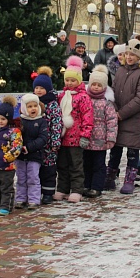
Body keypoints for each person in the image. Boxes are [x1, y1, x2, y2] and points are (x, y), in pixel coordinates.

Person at [107, 39, 140, 194]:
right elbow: (112, 91)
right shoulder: (120, 70)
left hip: (133, 118)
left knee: (132, 151)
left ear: (139, 56)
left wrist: (122, 113)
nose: (129, 57)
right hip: (118, 116)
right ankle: (110, 177)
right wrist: (113, 109)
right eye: (127, 53)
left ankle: (130, 179)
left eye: (133, 54)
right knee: (115, 150)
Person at [55, 56, 94, 202]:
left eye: (73, 80)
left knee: (76, 165)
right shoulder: (62, 96)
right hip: (63, 137)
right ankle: (62, 188)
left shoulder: (83, 97)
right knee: (62, 165)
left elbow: (88, 117)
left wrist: (85, 135)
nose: (70, 83)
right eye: (67, 80)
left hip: (76, 138)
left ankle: (77, 189)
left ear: (78, 80)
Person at [83, 65, 118, 196]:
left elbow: (112, 121)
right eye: (94, 84)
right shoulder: (85, 99)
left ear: (104, 87)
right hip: (86, 138)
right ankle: (86, 185)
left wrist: (110, 138)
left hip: (100, 140)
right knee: (86, 163)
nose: (96, 87)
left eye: (99, 85)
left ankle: (97, 187)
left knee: (99, 164)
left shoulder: (106, 102)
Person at [33, 67, 63, 205]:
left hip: (49, 145)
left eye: (42, 88)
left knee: (49, 170)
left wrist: (55, 142)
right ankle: (35, 192)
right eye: (36, 87)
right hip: (34, 145)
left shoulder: (52, 105)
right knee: (34, 170)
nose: (39, 90)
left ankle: (48, 193)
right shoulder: (32, 104)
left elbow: (56, 125)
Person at [14, 93, 48, 209]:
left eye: (35, 106)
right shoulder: (19, 121)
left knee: (33, 178)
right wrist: (18, 147)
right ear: (24, 108)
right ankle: (21, 198)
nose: (33, 108)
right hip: (20, 156)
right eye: (29, 106)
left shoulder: (42, 121)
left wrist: (29, 147)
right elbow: (14, 136)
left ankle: (34, 200)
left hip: (34, 155)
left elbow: (43, 138)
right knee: (21, 178)